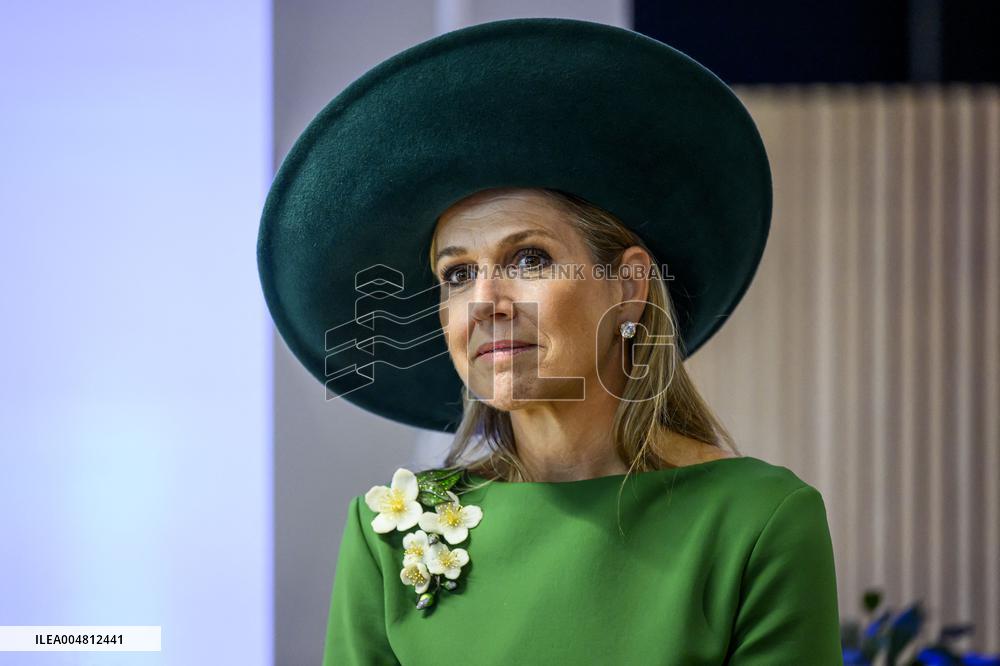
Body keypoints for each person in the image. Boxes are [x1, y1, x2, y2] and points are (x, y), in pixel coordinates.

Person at [257, 17, 842, 666]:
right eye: (456, 274)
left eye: (530, 259)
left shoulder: (759, 523)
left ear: (629, 286)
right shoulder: (390, 535)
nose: (484, 303)